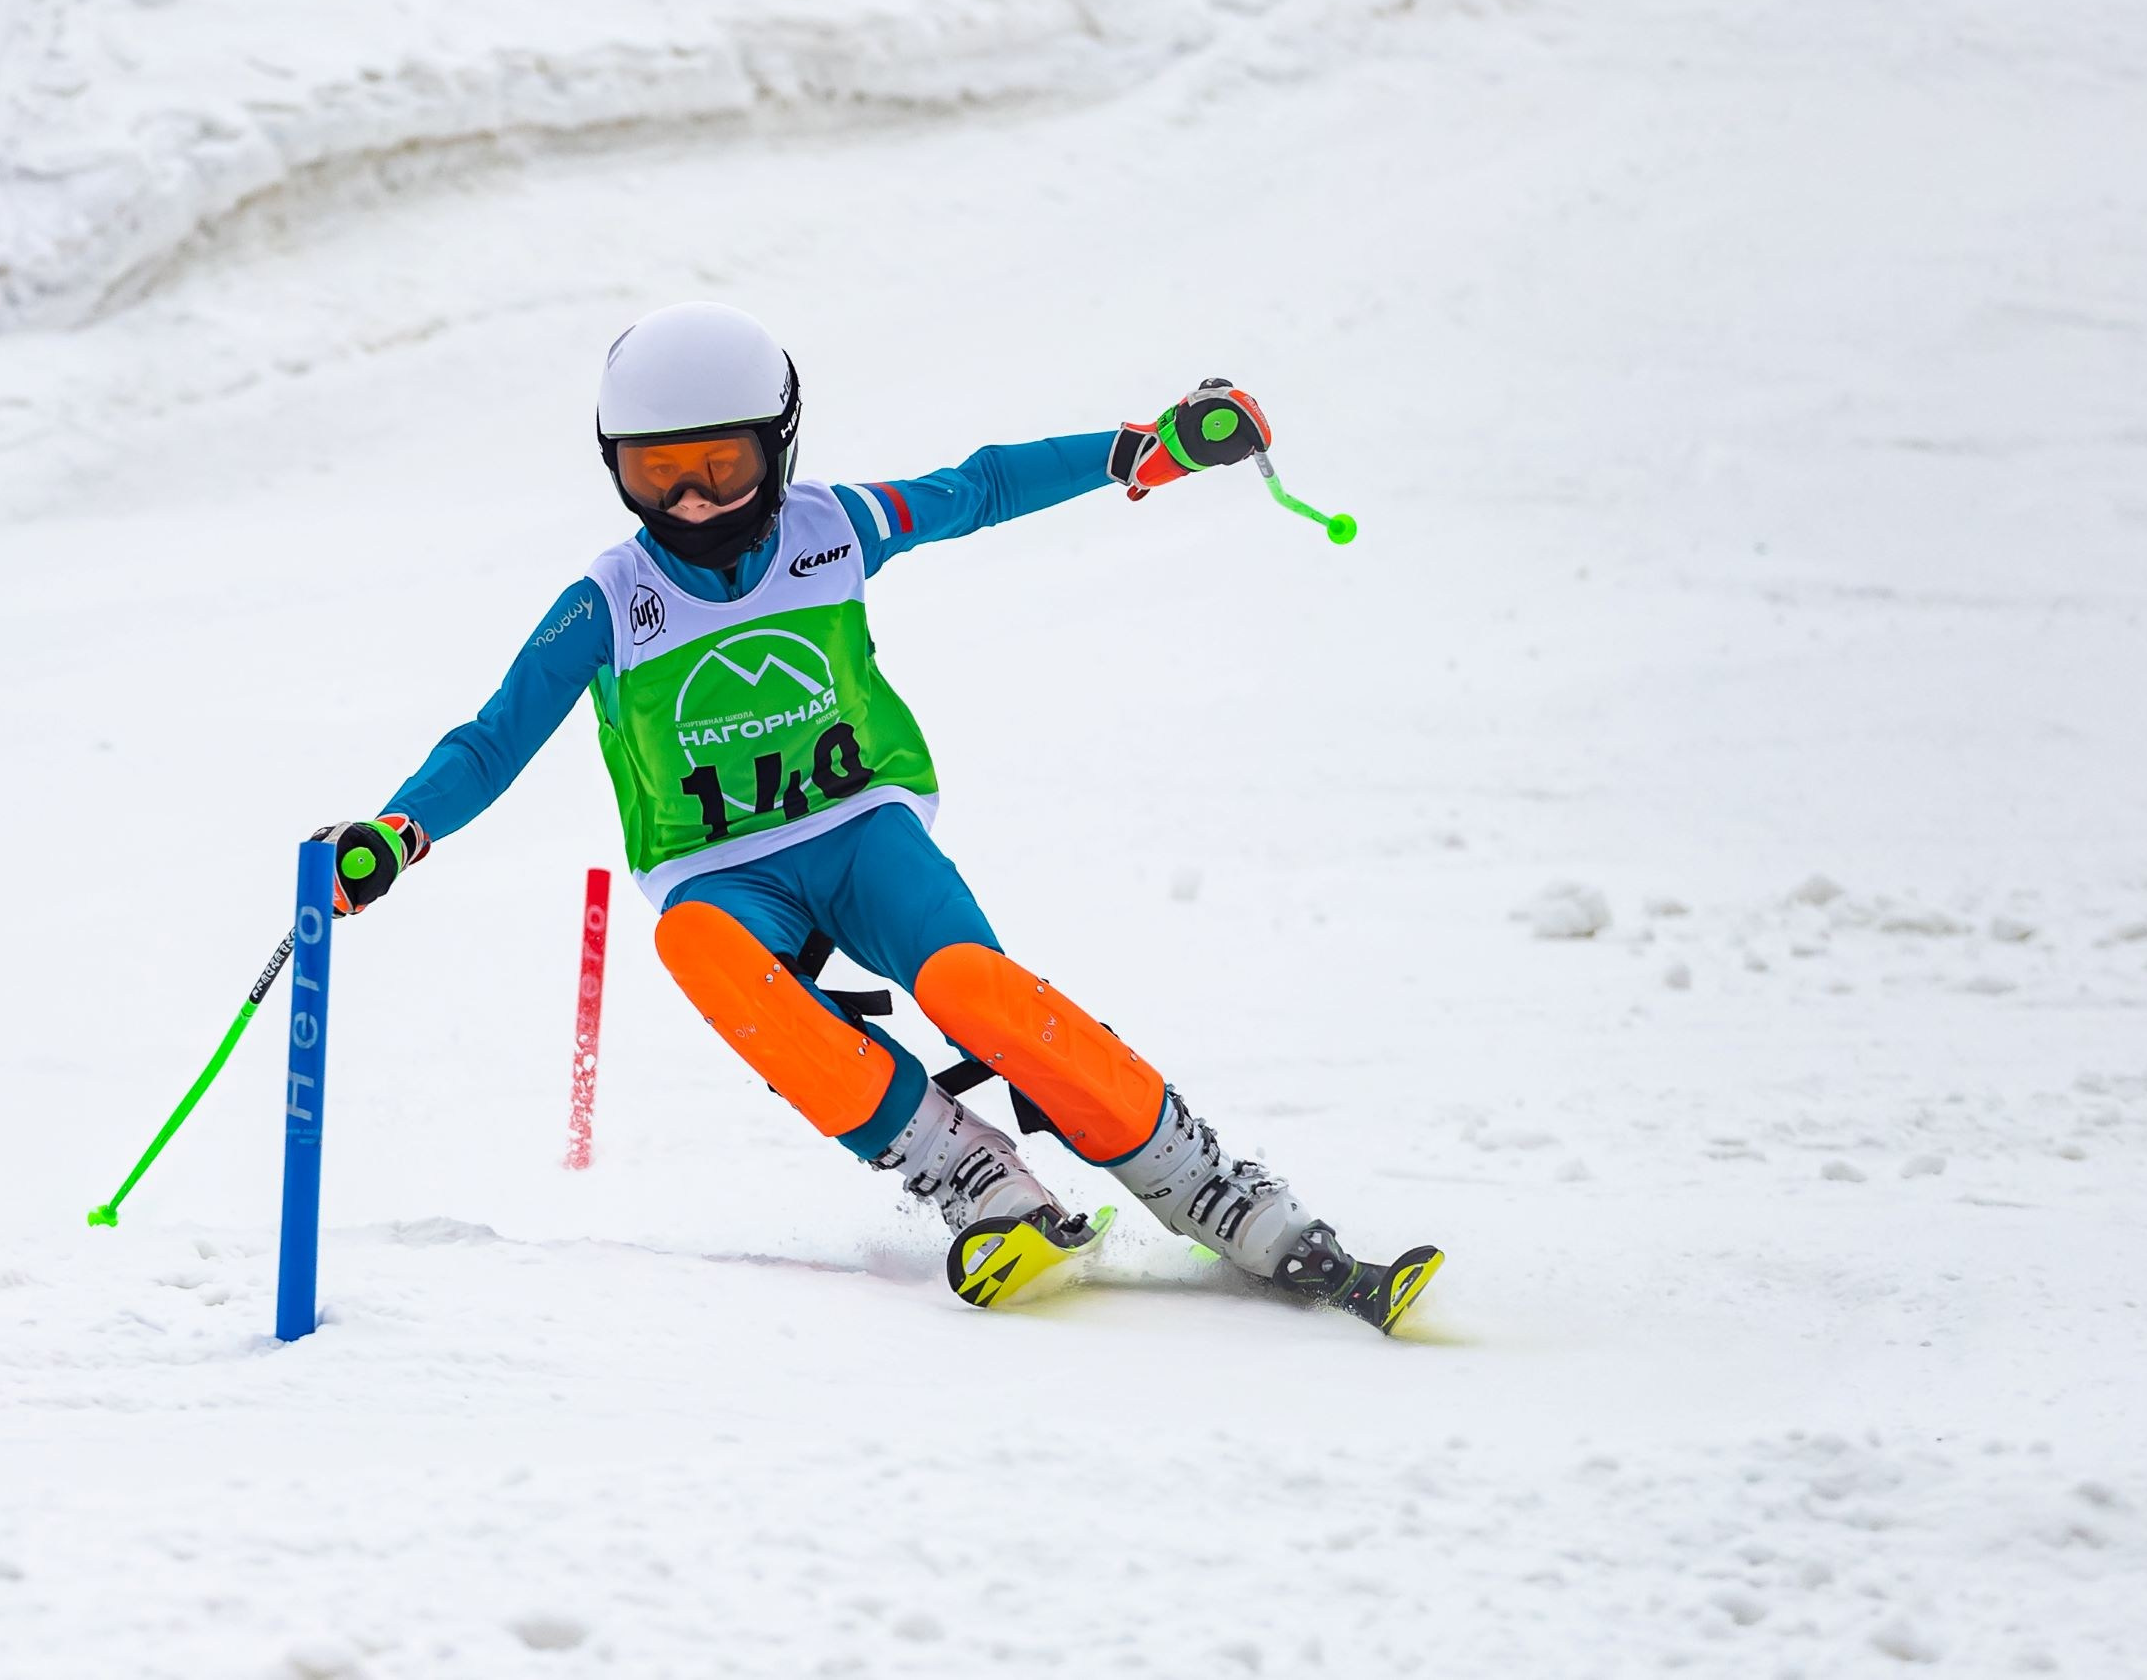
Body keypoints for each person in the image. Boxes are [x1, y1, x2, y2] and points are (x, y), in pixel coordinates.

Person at [316, 302, 1441, 1331]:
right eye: (661, 476)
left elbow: (981, 486)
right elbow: (492, 737)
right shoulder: (611, 601)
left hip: (861, 830)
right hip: (721, 872)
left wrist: (1135, 451)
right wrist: (397, 835)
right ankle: (971, 1177)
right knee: (693, 942)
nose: (695, 500)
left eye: (722, 465)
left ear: (779, 446)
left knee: (969, 988)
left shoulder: (834, 527)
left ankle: (1205, 1184)